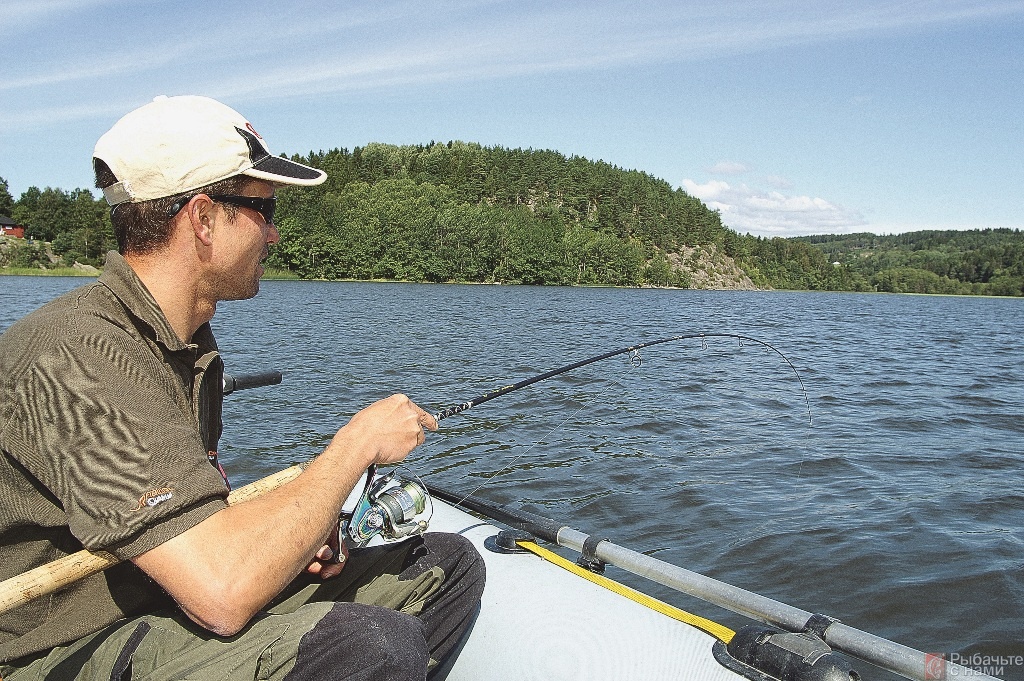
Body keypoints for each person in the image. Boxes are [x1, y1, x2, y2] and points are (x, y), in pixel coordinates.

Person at [0, 95, 485, 681]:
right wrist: (353, 449)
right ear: (203, 218)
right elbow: (222, 593)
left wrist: (298, 535)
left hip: (161, 595)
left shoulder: (183, 342)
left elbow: (198, 523)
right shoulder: (77, 360)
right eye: (263, 209)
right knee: (367, 644)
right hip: (60, 649)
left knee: (446, 565)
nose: (275, 234)